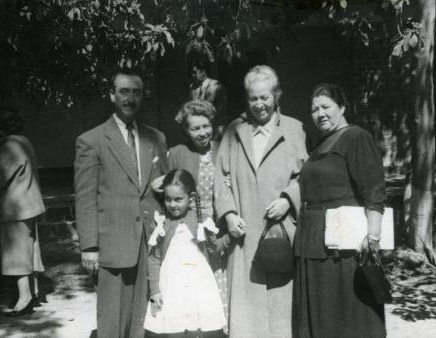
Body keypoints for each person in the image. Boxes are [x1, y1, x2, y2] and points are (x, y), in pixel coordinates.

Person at [214, 65, 308, 338]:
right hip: (244, 235)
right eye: (253, 98)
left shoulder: (294, 129)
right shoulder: (235, 130)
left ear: (277, 95)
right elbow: (222, 179)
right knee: (246, 314)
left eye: (265, 97)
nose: (259, 104)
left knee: (281, 310)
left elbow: (307, 177)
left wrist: (289, 200)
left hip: (280, 235)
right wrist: (229, 214)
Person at [74, 70, 168, 338]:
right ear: (111, 95)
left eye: (136, 92)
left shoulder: (156, 138)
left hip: (148, 239)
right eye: (124, 91)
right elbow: (85, 196)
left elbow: (163, 186)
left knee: (142, 316)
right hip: (112, 240)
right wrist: (89, 246)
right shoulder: (91, 141)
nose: (130, 98)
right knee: (112, 318)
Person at [293, 83, 386, 338]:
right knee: (321, 318)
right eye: (314, 109)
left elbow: (374, 192)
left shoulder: (356, 137)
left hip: (343, 246)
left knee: (346, 316)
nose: (320, 114)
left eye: (326, 107)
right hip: (312, 243)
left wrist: (373, 236)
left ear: (342, 107)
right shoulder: (318, 145)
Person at [144, 169, 226, 338]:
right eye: (168, 199)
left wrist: (230, 238)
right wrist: (154, 291)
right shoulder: (161, 223)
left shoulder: (201, 220)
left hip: (198, 285)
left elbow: (214, 248)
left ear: (191, 197)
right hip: (171, 286)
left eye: (178, 199)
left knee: (198, 328)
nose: (172, 205)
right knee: (174, 329)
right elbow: (153, 259)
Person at [0, 106, 45, 317]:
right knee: (30, 250)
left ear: (0, 125)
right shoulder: (24, 142)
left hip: (16, 208)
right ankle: (34, 292)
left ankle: (24, 299)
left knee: (16, 254)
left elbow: (1, 176)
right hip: (30, 203)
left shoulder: (9, 146)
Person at [190, 61, 228, 136]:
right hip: (200, 127)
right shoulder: (193, 87)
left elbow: (220, 109)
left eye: (195, 72)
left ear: (203, 72)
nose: (193, 75)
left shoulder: (216, 86)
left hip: (217, 127)